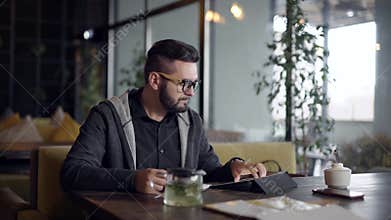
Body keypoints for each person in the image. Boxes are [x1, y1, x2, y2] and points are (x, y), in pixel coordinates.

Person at [61, 39, 266, 194]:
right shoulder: (107, 116)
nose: (191, 92)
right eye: (184, 84)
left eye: (194, 84)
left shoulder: (192, 121)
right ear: (155, 80)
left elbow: (209, 171)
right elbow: (72, 173)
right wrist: (132, 180)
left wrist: (234, 168)